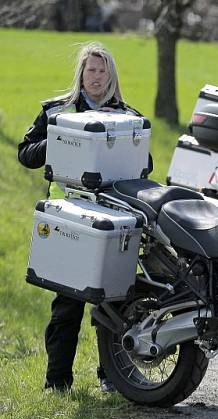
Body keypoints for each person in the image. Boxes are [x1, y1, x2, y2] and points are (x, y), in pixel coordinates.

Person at [18, 42, 144, 392]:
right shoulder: (56, 112)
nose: (97, 77)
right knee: (66, 308)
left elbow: (143, 167)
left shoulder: (128, 117)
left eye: (103, 71)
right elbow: (26, 155)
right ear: (81, 73)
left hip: (110, 221)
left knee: (114, 305)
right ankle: (56, 382)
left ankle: (112, 378)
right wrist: (58, 138)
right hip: (69, 221)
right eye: (91, 70)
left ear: (111, 76)